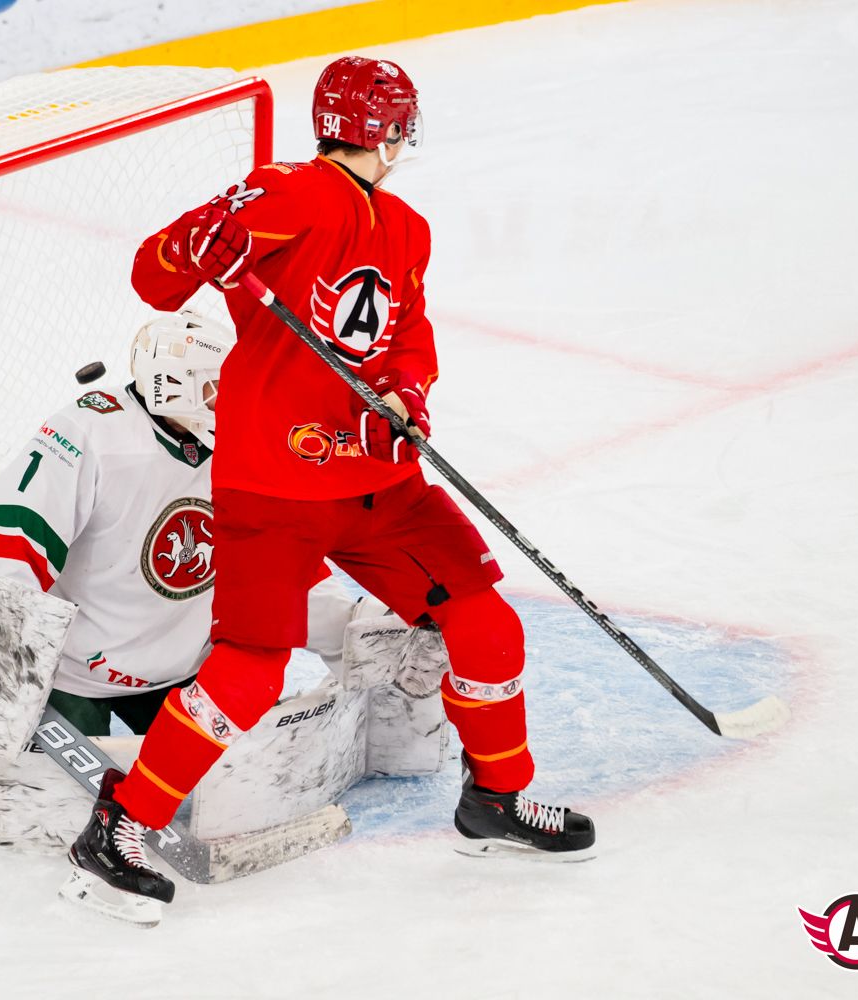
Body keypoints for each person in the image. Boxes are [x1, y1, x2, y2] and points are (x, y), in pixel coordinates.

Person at [66, 55, 596, 912]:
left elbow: (409, 337)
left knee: (486, 624)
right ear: (389, 132)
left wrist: (405, 396)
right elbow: (154, 278)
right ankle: (120, 824)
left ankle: (495, 800)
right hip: (275, 484)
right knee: (248, 672)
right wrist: (195, 244)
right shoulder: (286, 192)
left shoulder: (407, 228)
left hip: (379, 483)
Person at [0, 310, 383, 739]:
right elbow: (10, 534)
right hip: (72, 673)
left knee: (232, 765)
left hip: (185, 669)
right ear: (176, 385)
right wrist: (7, 644)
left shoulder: (239, 449)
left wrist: (352, 637)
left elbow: (279, 563)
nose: (236, 398)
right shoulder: (90, 432)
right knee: (47, 780)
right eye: (218, 386)